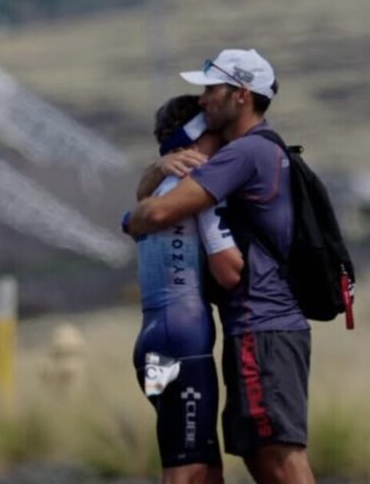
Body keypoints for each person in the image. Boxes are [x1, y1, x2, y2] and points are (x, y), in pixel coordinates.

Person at [126, 49, 316, 484]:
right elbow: (226, 266)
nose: (206, 98)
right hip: (193, 342)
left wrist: (135, 212)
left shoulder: (238, 156)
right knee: (203, 467)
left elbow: (146, 215)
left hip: (156, 346)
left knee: (217, 456)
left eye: (212, 89)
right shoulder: (210, 179)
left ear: (242, 95)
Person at [128, 95, 244, 484]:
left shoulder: (157, 193)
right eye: (216, 133)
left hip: (152, 345)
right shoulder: (200, 192)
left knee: (203, 467)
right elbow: (229, 269)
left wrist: (157, 169)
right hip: (185, 346)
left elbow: (132, 217)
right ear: (193, 138)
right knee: (188, 469)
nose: (227, 140)